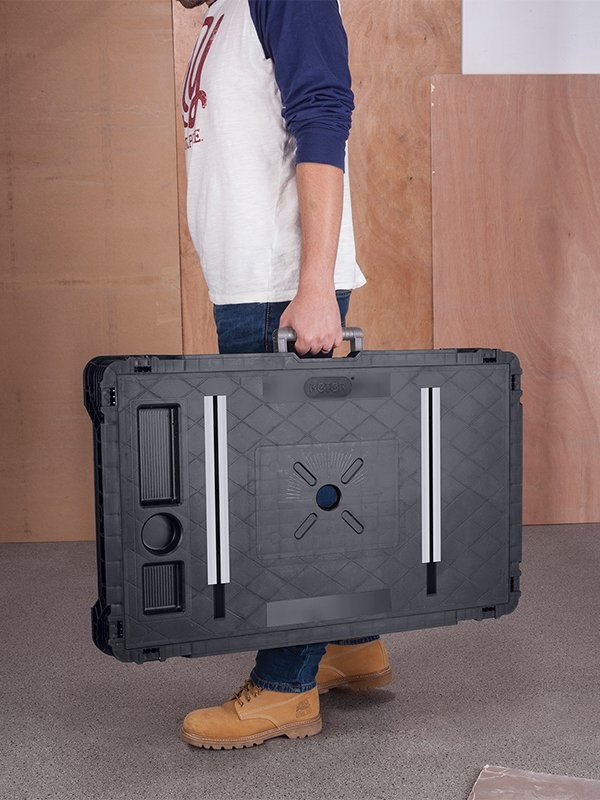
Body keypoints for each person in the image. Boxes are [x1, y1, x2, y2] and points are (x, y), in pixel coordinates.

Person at [176, 0, 392, 749]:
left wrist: (315, 286)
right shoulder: (225, 11)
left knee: (282, 502)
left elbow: (324, 116)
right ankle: (351, 645)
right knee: (310, 482)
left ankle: (285, 688)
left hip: (279, 291)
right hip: (251, 286)